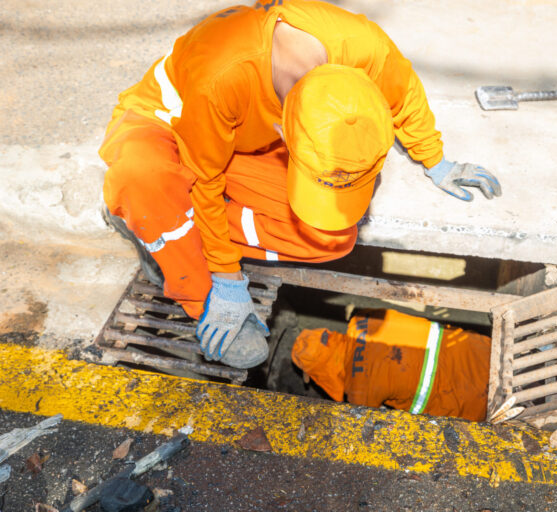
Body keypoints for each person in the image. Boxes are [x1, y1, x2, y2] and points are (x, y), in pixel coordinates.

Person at [99, 0, 501, 368]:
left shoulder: (365, 48)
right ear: (284, 133)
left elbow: (404, 94)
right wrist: (225, 276)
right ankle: (188, 275)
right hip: (173, 128)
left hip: (243, 141)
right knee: (144, 177)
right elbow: (205, 180)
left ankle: (170, 228)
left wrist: (436, 160)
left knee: (330, 236)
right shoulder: (219, 78)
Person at [292, 309, 491, 421]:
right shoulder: (362, 318)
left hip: (479, 401)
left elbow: (367, 428)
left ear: (320, 372)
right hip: (485, 349)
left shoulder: (359, 392)